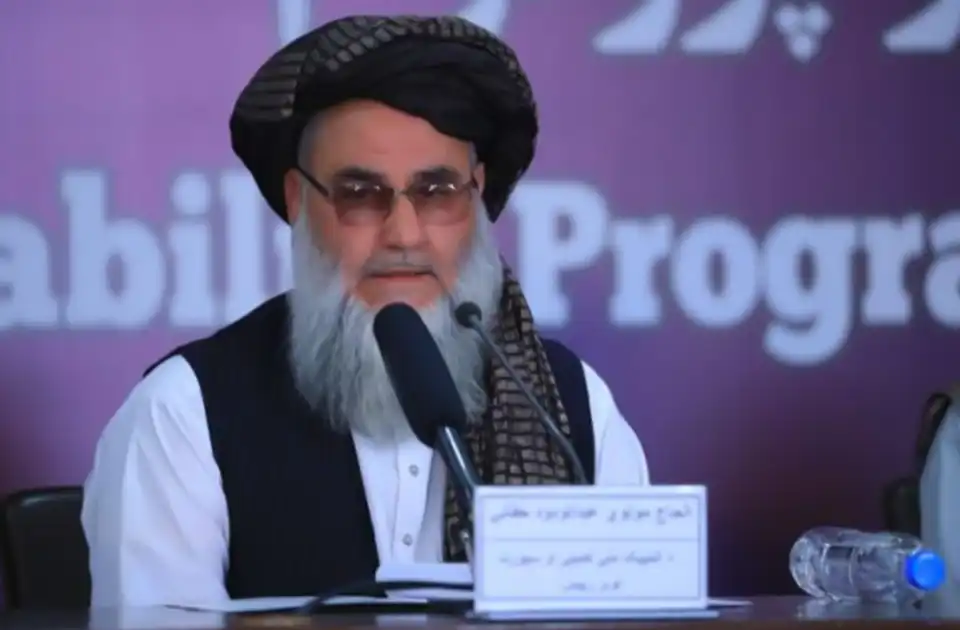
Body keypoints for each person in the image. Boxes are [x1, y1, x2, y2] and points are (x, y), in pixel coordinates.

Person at [81, 14, 650, 607]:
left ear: (477, 195)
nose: (404, 234)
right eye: (360, 194)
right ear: (298, 200)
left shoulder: (569, 409)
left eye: (436, 191)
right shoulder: (184, 413)